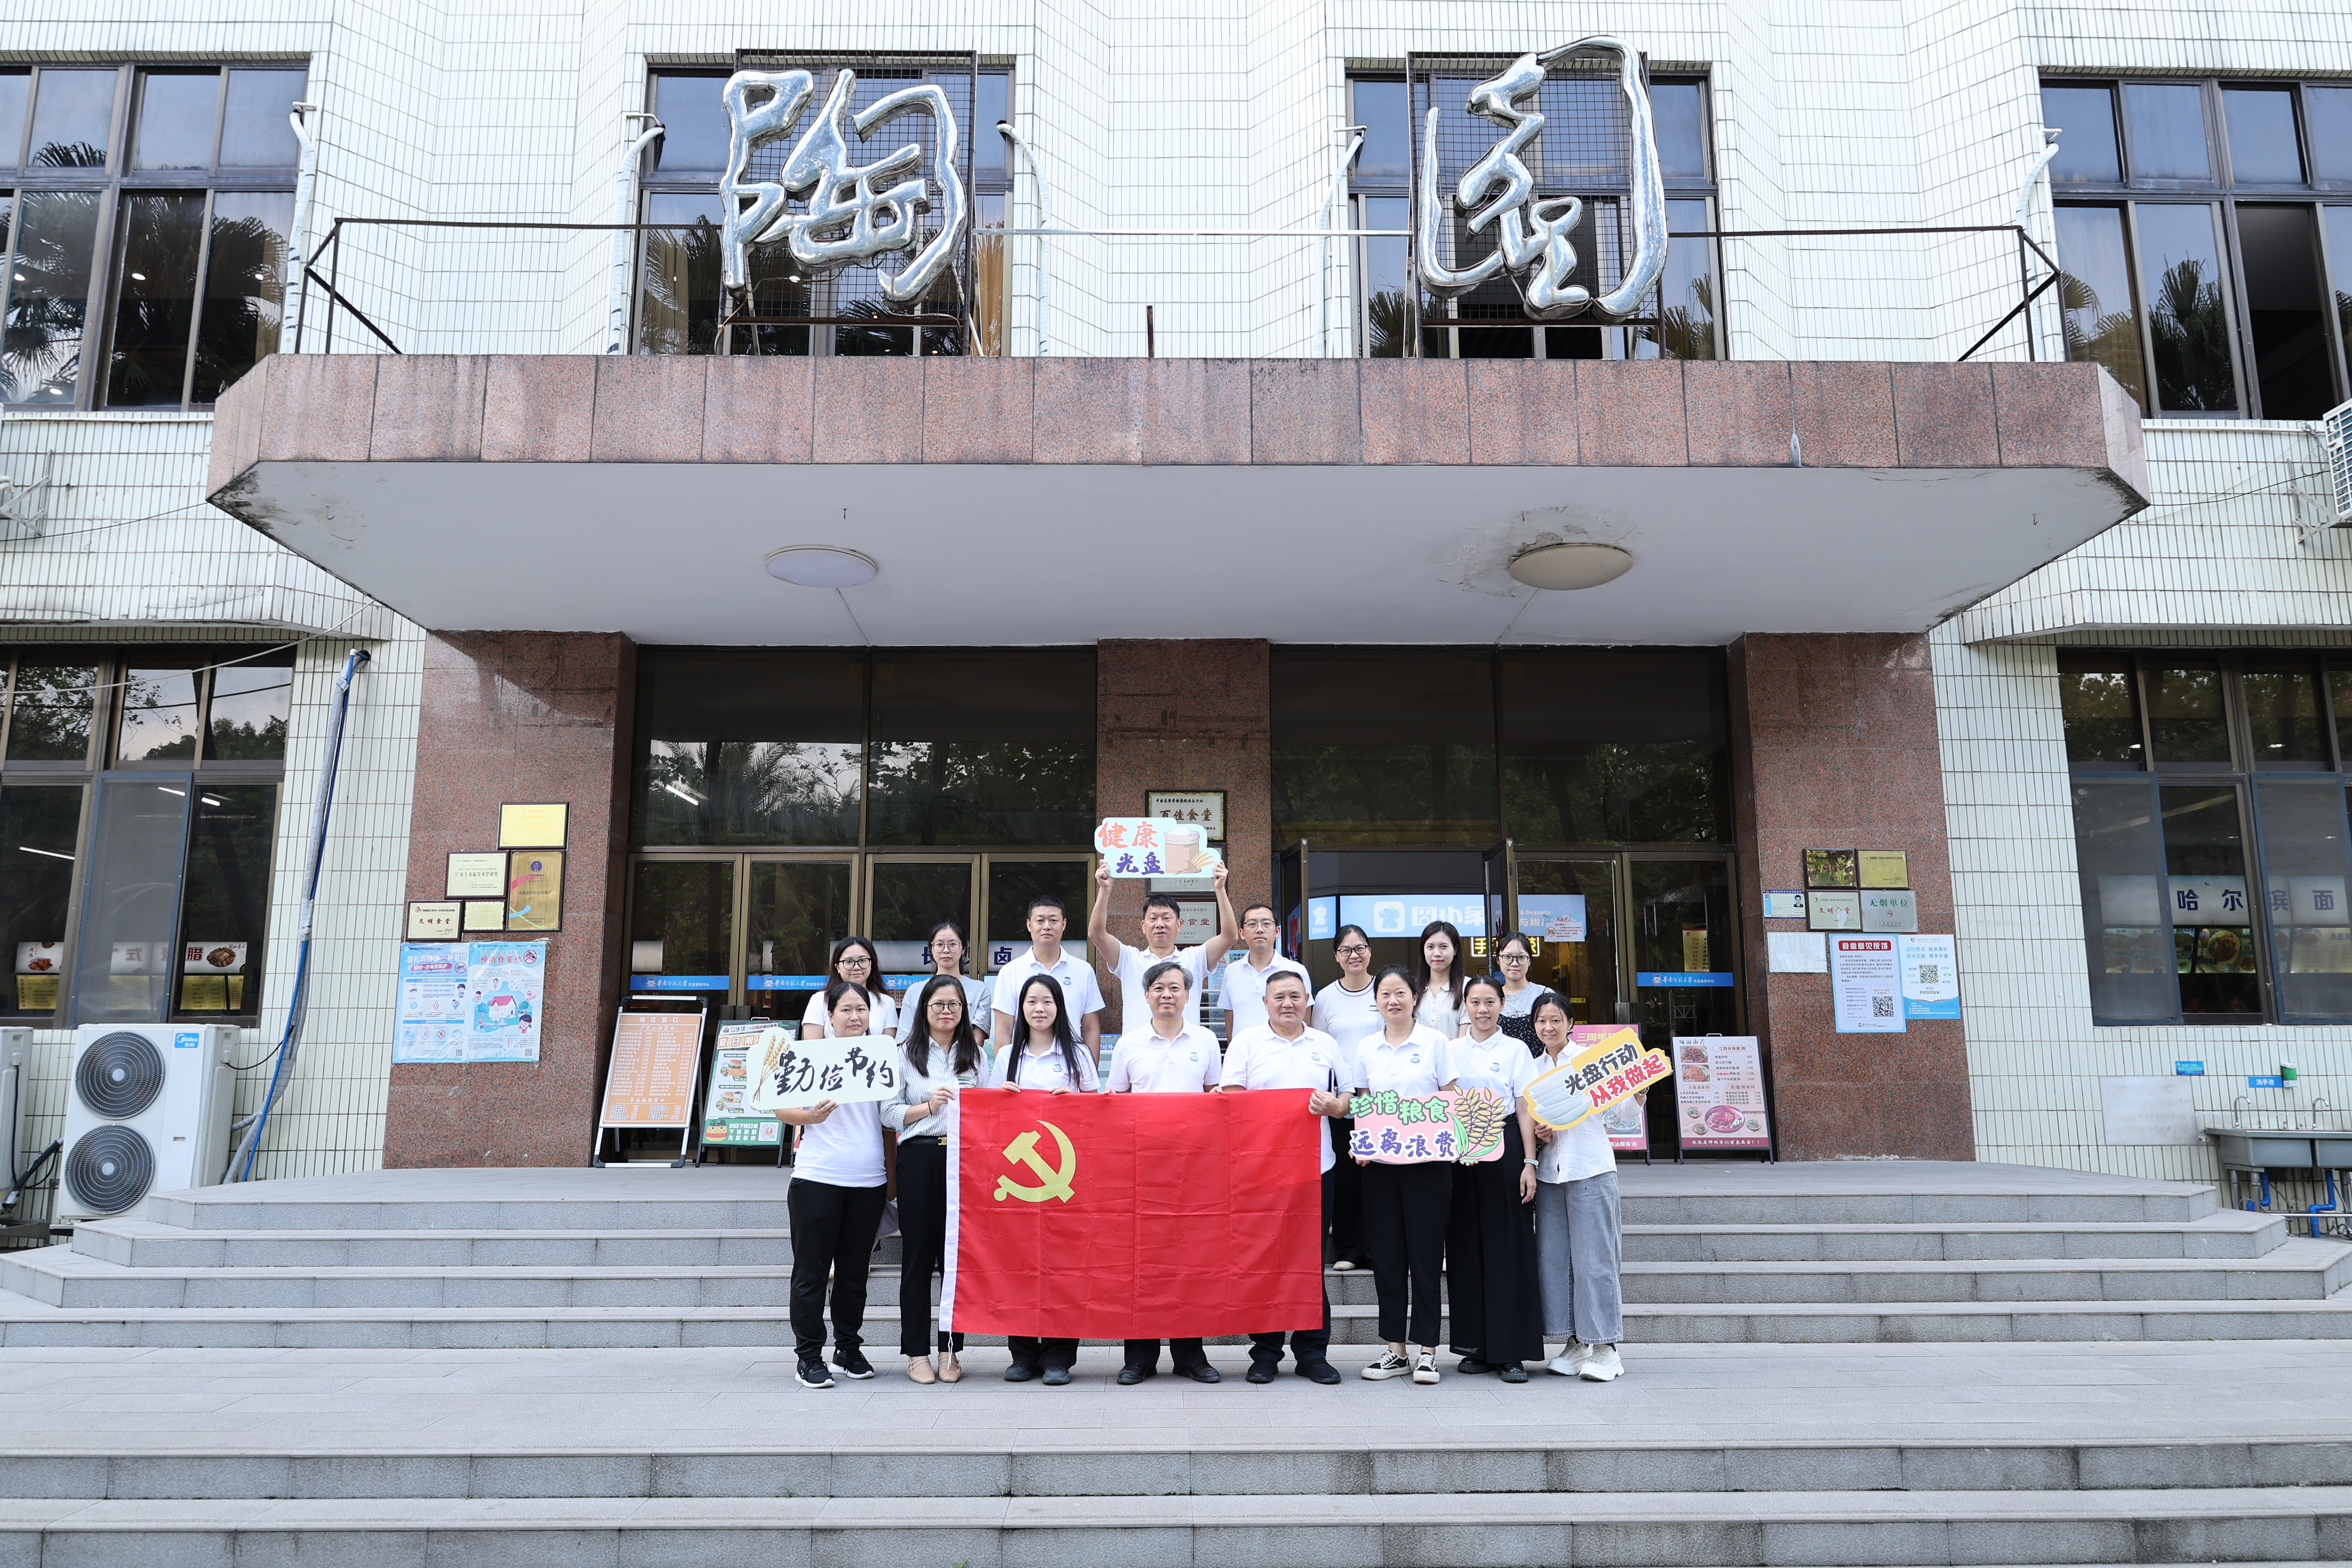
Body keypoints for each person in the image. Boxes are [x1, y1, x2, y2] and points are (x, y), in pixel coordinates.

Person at [1218, 967, 1351, 1385]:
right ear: (1265, 1003)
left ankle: (1313, 1352)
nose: (1288, 1003)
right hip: (1262, 1170)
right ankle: (1266, 1352)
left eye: (1295, 996)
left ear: (1308, 999)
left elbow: (1348, 1097)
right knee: (1267, 1259)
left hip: (1318, 1167)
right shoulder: (1247, 1042)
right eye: (1279, 997)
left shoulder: (1326, 1044)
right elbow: (1231, 1100)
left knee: (1310, 1261)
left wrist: (1333, 1105)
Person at [1104, 960, 1223, 1385]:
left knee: (1189, 1262)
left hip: (1192, 1172)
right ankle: (1139, 1356)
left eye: (1175, 987)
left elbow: (1217, 1098)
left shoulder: (1207, 1040)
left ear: (1189, 995)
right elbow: (1115, 1102)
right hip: (1142, 1169)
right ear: (1147, 995)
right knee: (1141, 1261)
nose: (1167, 994)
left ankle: (1190, 1354)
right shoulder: (1130, 1044)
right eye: (1159, 988)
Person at [987, 972, 1100, 1385]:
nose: (1039, 1009)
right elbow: (989, 1121)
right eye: (1032, 1001)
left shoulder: (1078, 1056)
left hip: (1066, 1180)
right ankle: (1022, 1353)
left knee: (1063, 1266)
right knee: (1019, 1263)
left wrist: (1077, 1105)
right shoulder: (1005, 1058)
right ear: (1021, 1009)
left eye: (1047, 1002)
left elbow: (1100, 1113)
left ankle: (1058, 1356)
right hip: (1017, 1183)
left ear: (1059, 1007)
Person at [775, 981, 889, 1390]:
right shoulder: (810, 1056)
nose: (855, 1016)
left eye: (862, 1008)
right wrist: (810, 1117)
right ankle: (808, 1356)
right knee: (811, 1271)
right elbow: (778, 1104)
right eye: (846, 1009)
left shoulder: (881, 1057)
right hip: (818, 1177)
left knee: (855, 1272)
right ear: (830, 1015)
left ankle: (848, 1347)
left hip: (869, 1179)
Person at [1353, 965, 1457, 1385]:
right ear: (1376, 1001)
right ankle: (1395, 1350)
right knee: (1389, 1261)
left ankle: (1428, 1351)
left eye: (1401, 993)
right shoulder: (1366, 1047)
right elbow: (1363, 1100)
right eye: (1385, 994)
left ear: (1415, 997)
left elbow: (1450, 1097)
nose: (1393, 1000)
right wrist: (1363, 1143)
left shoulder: (1435, 1042)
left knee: (1427, 1259)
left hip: (1429, 1168)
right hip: (1381, 1170)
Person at [886, 973, 987, 1385]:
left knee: (955, 1262)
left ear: (964, 1011)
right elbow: (888, 1113)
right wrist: (927, 1107)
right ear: (924, 1010)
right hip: (920, 1158)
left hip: (964, 1162)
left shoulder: (976, 1055)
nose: (947, 1012)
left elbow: (991, 1105)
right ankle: (916, 1352)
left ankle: (950, 1350)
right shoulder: (905, 1053)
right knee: (917, 1259)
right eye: (939, 1005)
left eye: (954, 1005)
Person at [1443, 975, 1544, 1382]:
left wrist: (1530, 1164)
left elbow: (1524, 1108)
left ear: (1502, 1005)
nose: (1482, 1010)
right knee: (1466, 1246)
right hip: (1460, 1148)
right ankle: (1476, 1346)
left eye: (1490, 1002)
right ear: (1464, 1006)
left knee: (1508, 1247)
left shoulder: (1517, 1049)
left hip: (1505, 1146)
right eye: (1475, 1002)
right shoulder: (1449, 1050)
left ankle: (1511, 1351)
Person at [1527, 989, 1628, 1383]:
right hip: (1552, 1174)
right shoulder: (1533, 1068)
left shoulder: (1590, 1063)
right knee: (1556, 1262)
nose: (1548, 1027)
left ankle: (1606, 1347)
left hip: (1590, 1169)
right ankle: (1574, 1343)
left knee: (1596, 1261)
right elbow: (1530, 1122)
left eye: (1556, 1019)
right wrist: (1538, 1133)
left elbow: (1619, 1113)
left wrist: (1639, 1091)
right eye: (1542, 1021)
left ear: (1571, 1024)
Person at [1087, 858, 1236, 1031]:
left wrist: (1220, 889)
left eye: (1166, 918)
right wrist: (1105, 890)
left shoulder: (1195, 958)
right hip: (1140, 1053)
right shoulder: (1129, 959)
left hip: (1186, 1050)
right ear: (1143, 926)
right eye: (1153, 919)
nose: (1160, 924)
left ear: (1179, 925)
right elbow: (1096, 934)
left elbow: (1230, 936)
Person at [1312, 924, 1380, 1273]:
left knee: (1380, 1171)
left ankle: (1379, 1248)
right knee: (1347, 1174)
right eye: (1346, 950)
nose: (1354, 955)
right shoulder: (1325, 998)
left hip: (1379, 1096)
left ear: (1370, 951)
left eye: (1360, 948)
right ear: (1337, 956)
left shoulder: (1383, 991)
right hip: (1342, 1096)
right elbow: (1320, 1047)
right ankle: (1350, 1249)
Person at [992, 895, 1105, 1058]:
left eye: (1053, 921)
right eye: (1040, 921)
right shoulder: (1010, 972)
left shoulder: (1083, 970)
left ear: (1064, 924)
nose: (1047, 927)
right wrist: (1005, 1076)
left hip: (1071, 1065)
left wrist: (1089, 1076)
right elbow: (1003, 1031)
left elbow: (1091, 1029)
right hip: (1024, 1066)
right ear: (1029, 925)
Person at [896, 920, 992, 1059]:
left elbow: (977, 1040)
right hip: (921, 1065)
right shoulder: (915, 991)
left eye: (953, 944)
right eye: (940, 945)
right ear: (931, 949)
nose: (946, 950)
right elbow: (904, 1040)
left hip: (963, 1064)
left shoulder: (979, 990)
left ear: (964, 949)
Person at [1220, 901, 1310, 1040]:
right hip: (1244, 1057)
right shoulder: (1231, 971)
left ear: (1277, 931)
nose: (1260, 930)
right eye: (1252, 924)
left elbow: (1305, 1022)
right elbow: (1230, 1018)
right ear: (1242, 934)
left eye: (1267, 924)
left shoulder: (1297, 971)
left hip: (1284, 1055)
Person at [803, 936, 898, 1040]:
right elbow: (812, 1048)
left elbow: (888, 1048)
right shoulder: (820, 1000)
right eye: (849, 962)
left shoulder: (886, 1002)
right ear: (838, 967)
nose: (857, 967)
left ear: (872, 965)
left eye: (863, 961)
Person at [1412, 920, 1466, 1041]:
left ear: (1455, 950)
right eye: (1431, 947)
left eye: (1444, 947)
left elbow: (1464, 1042)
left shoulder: (1468, 987)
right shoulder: (1412, 989)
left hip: (1455, 1059)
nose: (1437, 953)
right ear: (1423, 950)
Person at [1495, 932, 1541, 1055]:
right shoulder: (1492, 997)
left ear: (1530, 961)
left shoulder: (1544, 995)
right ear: (1499, 960)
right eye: (1508, 957)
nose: (1514, 963)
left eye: (1521, 958)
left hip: (1540, 1069)